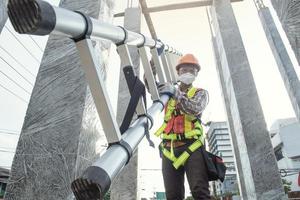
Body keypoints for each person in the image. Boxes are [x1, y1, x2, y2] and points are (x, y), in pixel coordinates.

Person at [155, 54, 210, 200]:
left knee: (200, 191)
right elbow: (153, 89)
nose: (188, 73)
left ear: (196, 74)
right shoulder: (167, 93)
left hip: (192, 147)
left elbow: (194, 108)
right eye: (184, 69)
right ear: (178, 72)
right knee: (173, 195)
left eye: (192, 70)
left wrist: (175, 92)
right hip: (169, 149)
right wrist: (152, 70)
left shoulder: (200, 93)